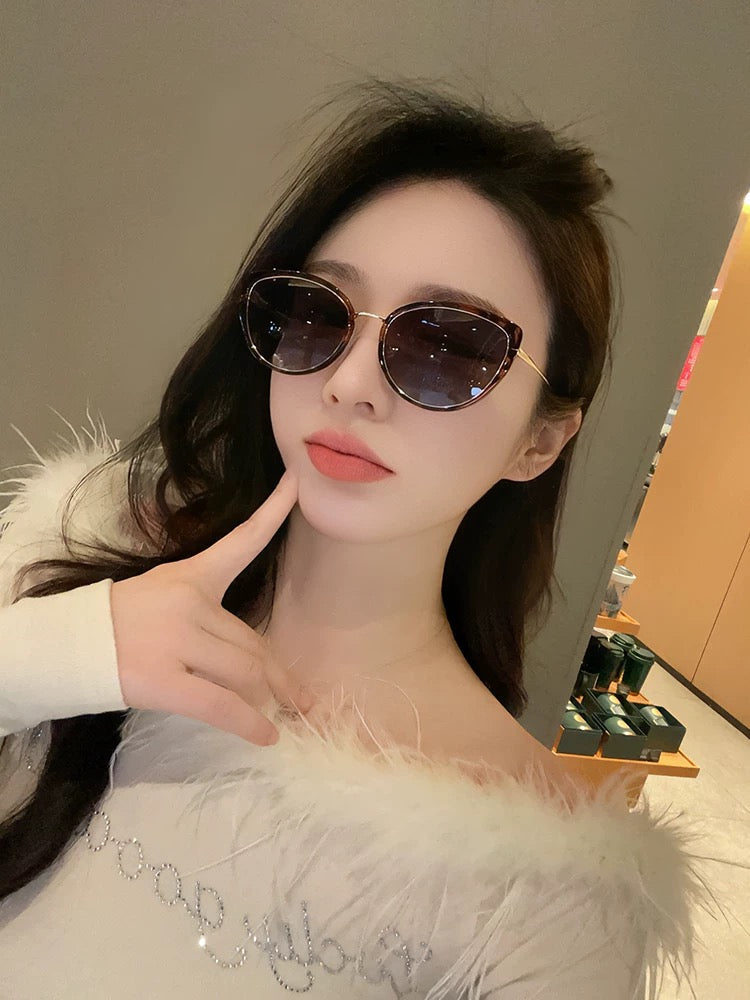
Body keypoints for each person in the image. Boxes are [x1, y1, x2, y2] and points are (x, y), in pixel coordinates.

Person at [0, 81, 718, 998]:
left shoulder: (549, 895)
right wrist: (63, 652)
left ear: (540, 441)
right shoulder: (81, 569)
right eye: (320, 313)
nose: (348, 383)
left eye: (448, 346)